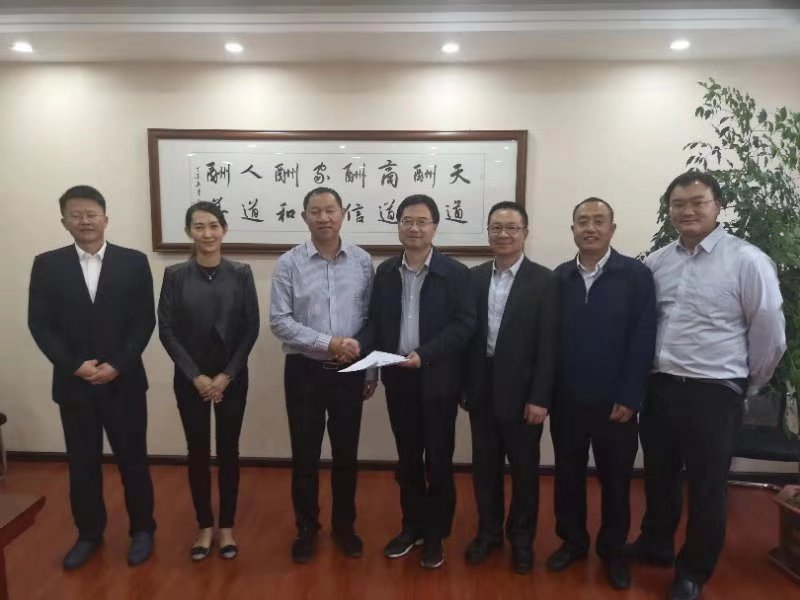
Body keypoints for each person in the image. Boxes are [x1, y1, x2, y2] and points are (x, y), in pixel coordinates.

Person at [627, 172, 786, 600]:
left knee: (707, 486)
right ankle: (656, 544)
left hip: (714, 391)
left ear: (718, 206)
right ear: (669, 210)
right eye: (678, 204)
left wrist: (748, 384)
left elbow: (769, 333)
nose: (688, 211)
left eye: (698, 202)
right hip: (660, 387)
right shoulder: (658, 262)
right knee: (658, 476)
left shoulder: (747, 260)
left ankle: (693, 571)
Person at [28, 185, 157, 569]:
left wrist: (117, 364)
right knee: (82, 465)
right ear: (64, 221)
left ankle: (143, 530)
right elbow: (40, 325)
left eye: (91, 214)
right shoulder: (47, 264)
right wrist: (74, 365)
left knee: (133, 461)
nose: (84, 221)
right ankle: (88, 534)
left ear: (105, 218)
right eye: (76, 214)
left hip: (124, 382)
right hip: (74, 384)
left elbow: (144, 320)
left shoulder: (133, 262)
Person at [358, 194, 475, 569]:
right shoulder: (386, 272)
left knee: (438, 460)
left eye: (422, 221)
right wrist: (370, 369)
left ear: (435, 227)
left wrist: (426, 353)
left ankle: (436, 535)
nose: (414, 228)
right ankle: (411, 527)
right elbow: (376, 324)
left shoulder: (455, 273)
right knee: (407, 460)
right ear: (398, 226)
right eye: (407, 221)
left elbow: (464, 326)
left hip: (439, 379)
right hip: (399, 379)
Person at [546, 197, 656, 590]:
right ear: (572, 229)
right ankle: (573, 542)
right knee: (567, 476)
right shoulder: (559, 278)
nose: (590, 228)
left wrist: (631, 396)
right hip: (567, 401)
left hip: (616, 403)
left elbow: (643, 339)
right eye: (582, 221)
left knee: (616, 481)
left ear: (612, 228)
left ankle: (613, 551)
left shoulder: (635, 275)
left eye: (598, 221)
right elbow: (548, 341)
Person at [269, 187, 376, 563]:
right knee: (305, 455)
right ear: (304, 217)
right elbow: (279, 321)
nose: (324, 217)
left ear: (343, 214)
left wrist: (369, 370)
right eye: (315, 211)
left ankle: (345, 527)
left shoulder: (362, 261)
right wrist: (328, 342)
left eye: (331, 210)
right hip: (305, 372)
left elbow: (371, 320)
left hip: (350, 372)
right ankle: (306, 529)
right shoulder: (289, 263)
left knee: (347, 454)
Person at [158, 201, 259, 561]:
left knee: (229, 450)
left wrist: (226, 375)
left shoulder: (241, 273)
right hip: (191, 380)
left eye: (214, 225)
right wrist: (196, 376)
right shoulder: (175, 275)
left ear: (224, 230)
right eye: (199, 226)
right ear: (189, 232)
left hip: (232, 377)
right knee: (197, 451)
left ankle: (226, 527)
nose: (207, 233)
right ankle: (204, 526)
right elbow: (166, 330)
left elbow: (251, 328)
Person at [462, 201, 559, 574]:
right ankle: (488, 534)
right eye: (496, 228)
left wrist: (540, 397)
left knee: (524, 472)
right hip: (481, 388)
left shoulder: (545, 281)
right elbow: (466, 339)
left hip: (524, 394)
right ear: (488, 233)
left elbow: (550, 345)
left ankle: (521, 540)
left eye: (511, 228)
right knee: (484, 469)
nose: (503, 234)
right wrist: (465, 387)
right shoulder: (473, 278)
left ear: (525, 233)